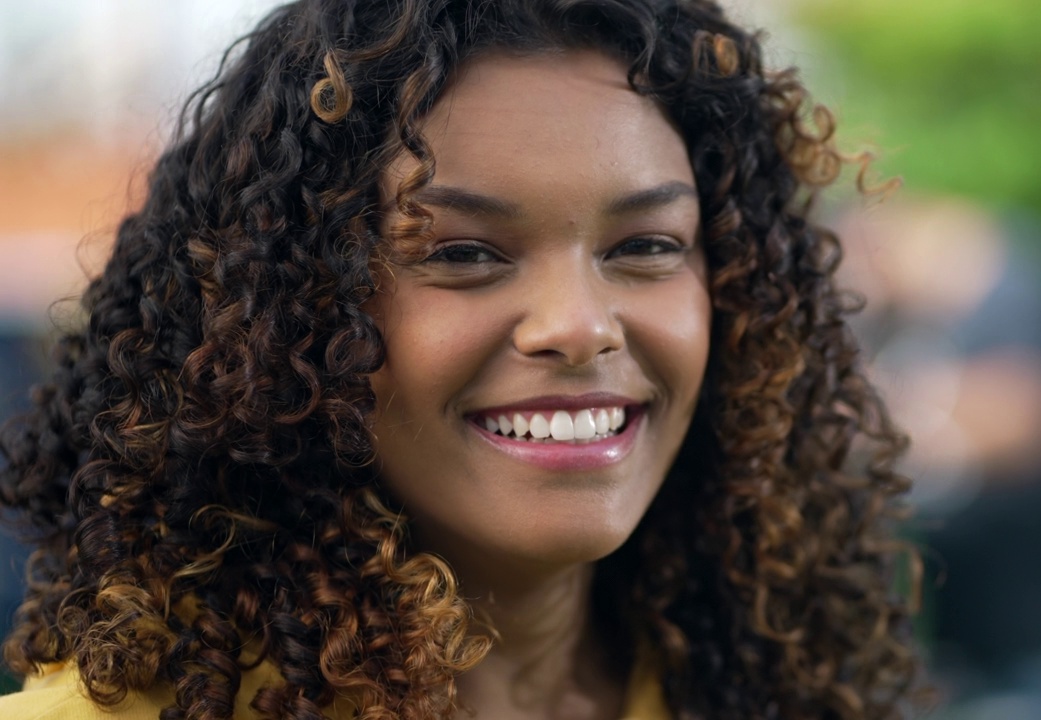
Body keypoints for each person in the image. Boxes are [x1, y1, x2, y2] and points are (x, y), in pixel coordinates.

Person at [0, 1, 920, 718]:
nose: (580, 326)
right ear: (283, 320)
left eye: (646, 246)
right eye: (463, 253)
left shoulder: (775, 693)